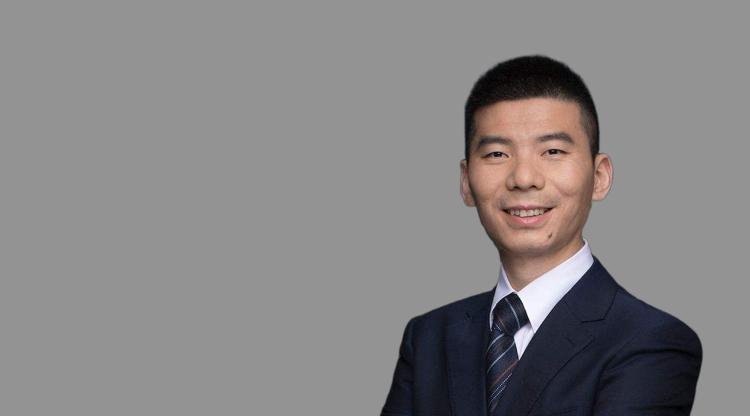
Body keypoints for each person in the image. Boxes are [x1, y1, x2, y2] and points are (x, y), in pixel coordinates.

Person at [380, 55, 702, 416]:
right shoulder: (428, 338)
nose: (524, 178)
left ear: (599, 177)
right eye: (497, 153)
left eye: (552, 151)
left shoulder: (651, 342)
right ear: (467, 182)